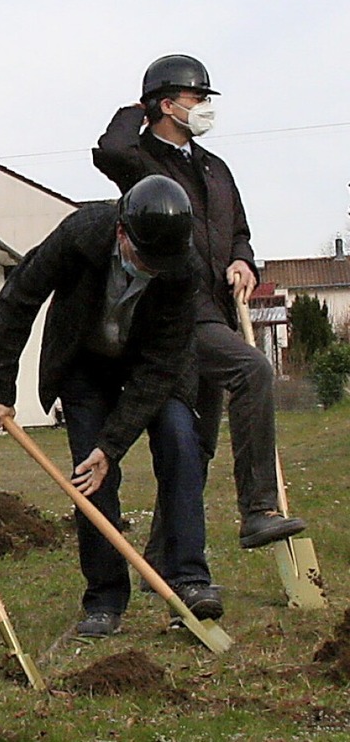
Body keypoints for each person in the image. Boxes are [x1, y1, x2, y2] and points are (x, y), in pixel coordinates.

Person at [0, 175, 223, 638]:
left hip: (152, 370)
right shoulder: (81, 234)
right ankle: (105, 600)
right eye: (144, 259)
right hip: (85, 366)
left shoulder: (181, 267)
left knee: (180, 445)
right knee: (90, 479)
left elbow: (161, 367)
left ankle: (190, 580)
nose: (152, 269)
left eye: (160, 263)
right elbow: (19, 299)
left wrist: (112, 446)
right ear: (122, 233)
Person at [92, 54, 306, 557]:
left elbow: (239, 232)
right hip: (175, 313)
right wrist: (139, 109)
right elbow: (109, 148)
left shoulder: (215, 168)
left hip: (217, 309)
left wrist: (242, 261)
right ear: (167, 104)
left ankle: (162, 551)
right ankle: (258, 509)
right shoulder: (141, 159)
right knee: (253, 370)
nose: (206, 107)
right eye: (198, 98)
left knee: (198, 443)